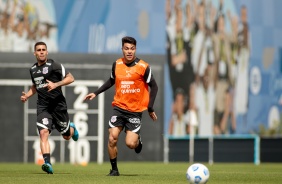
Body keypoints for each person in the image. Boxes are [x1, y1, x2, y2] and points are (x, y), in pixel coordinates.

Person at [84, 36, 158, 176]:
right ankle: (114, 170)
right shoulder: (117, 64)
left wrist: (150, 107)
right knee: (112, 137)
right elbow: (111, 81)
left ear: (135, 49)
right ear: (122, 49)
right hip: (119, 108)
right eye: (126, 48)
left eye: (132, 48)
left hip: (135, 111)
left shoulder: (143, 67)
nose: (129, 51)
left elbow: (154, 86)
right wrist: (96, 93)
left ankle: (138, 141)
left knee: (130, 144)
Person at [20, 41, 79, 174]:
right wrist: (27, 96)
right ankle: (47, 163)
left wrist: (56, 84)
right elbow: (36, 86)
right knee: (43, 133)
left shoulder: (54, 65)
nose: (41, 52)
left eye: (43, 50)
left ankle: (72, 128)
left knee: (67, 136)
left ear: (47, 52)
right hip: (43, 107)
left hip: (58, 106)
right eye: (38, 50)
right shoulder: (33, 69)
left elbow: (71, 78)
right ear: (34, 53)